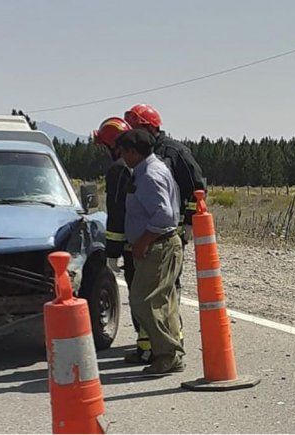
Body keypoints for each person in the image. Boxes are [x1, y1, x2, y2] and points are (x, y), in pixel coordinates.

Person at [124, 103, 206, 340]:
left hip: (168, 232)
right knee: (146, 291)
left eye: (135, 127)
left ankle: (171, 340)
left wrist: (189, 223)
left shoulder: (175, 152)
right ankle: (150, 342)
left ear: (149, 127)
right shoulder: (139, 155)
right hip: (147, 233)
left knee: (166, 289)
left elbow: (197, 188)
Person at [117, 128, 184, 375]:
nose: (121, 156)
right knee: (161, 302)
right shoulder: (149, 169)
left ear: (134, 152)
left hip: (159, 247)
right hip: (162, 245)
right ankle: (168, 355)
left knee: (143, 301)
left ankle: (166, 354)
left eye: (123, 151)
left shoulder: (149, 176)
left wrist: (143, 241)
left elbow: (163, 215)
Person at [93, 117, 151, 364]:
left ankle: (147, 347)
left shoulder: (118, 169)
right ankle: (156, 344)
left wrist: (112, 250)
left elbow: (117, 212)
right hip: (146, 238)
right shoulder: (141, 165)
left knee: (139, 295)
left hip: (132, 243)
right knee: (151, 293)